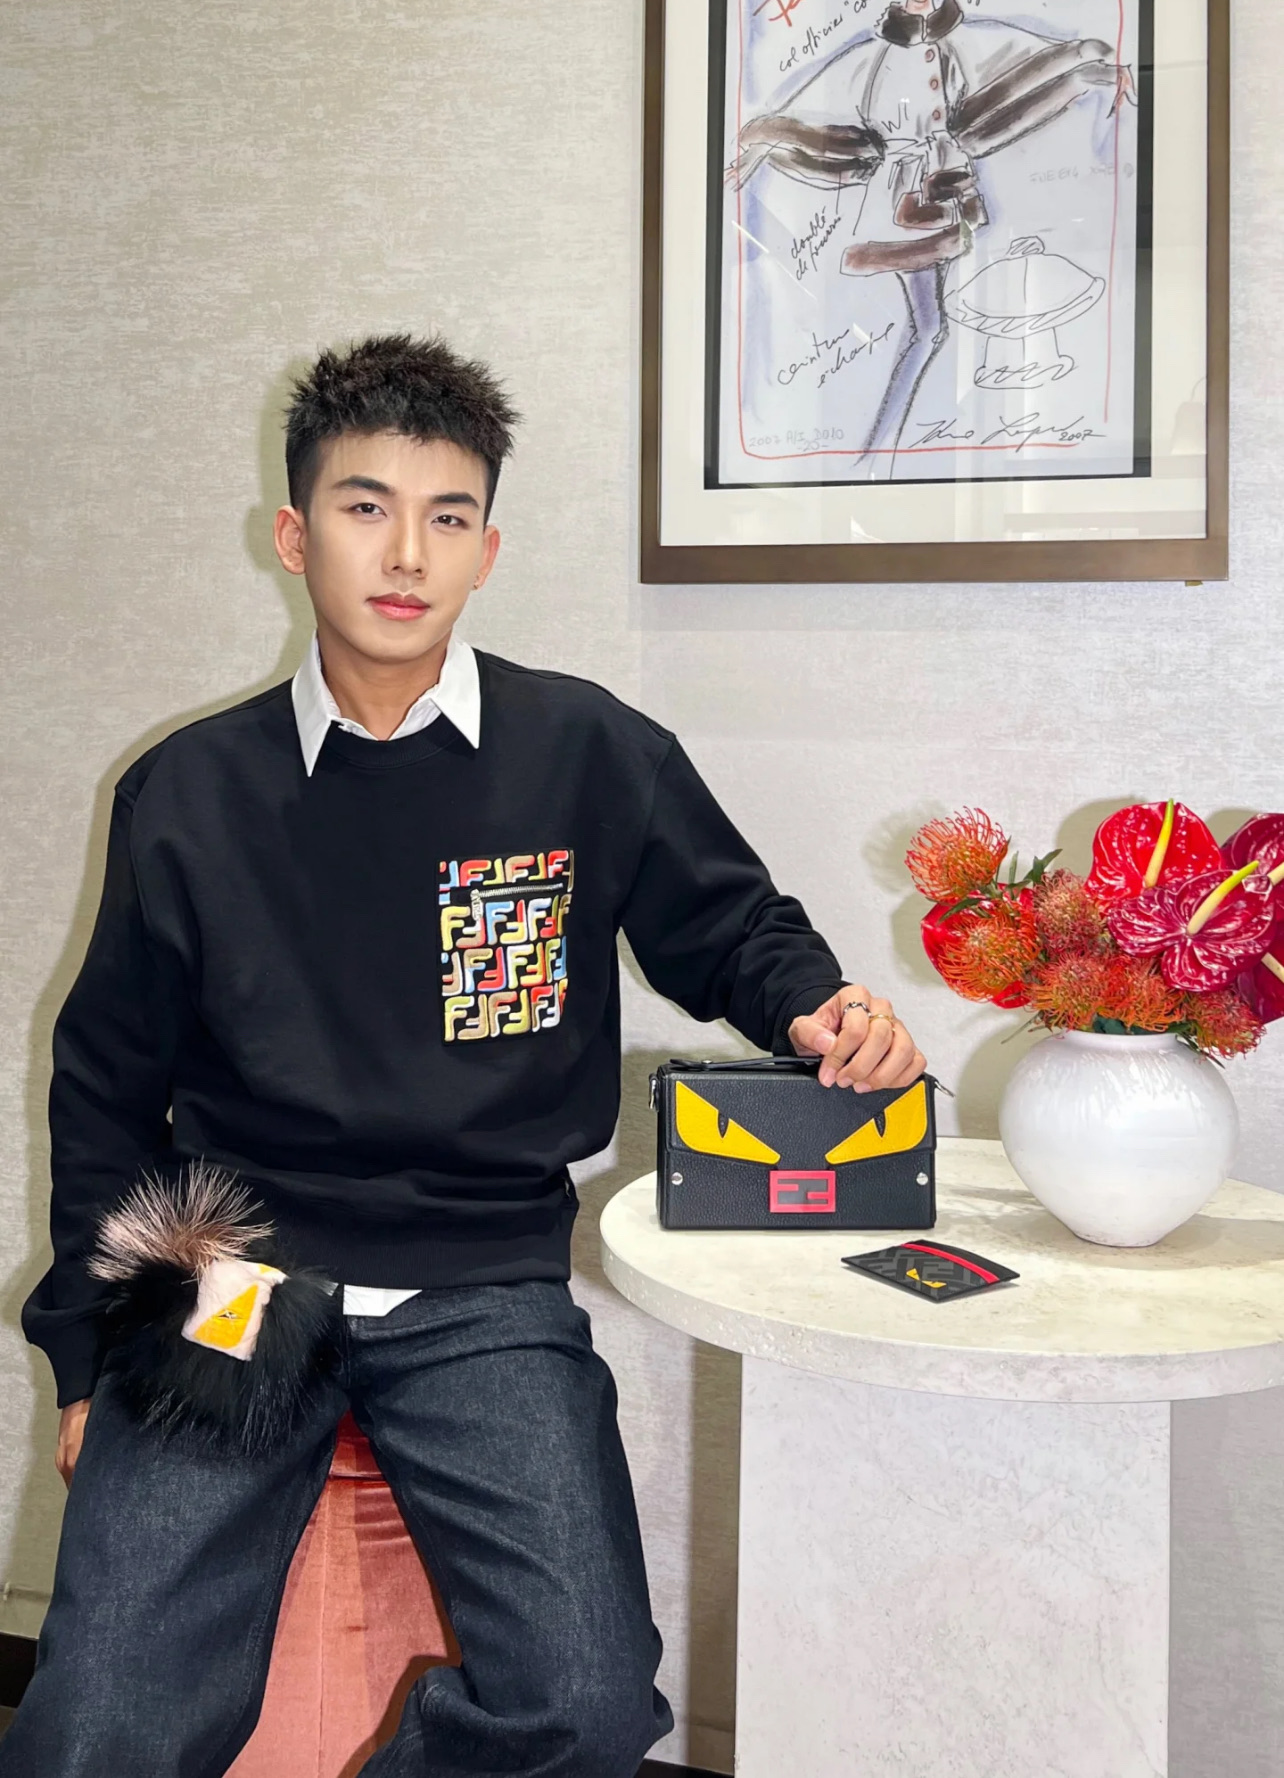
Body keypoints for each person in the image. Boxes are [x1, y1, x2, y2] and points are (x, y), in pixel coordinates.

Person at [2, 333, 926, 1777]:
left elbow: (732, 925)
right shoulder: (188, 789)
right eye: (365, 506)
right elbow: (105, 1083)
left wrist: (818, 1006)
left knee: (589, 1700)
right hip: (234, 1277)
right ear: (293, 535)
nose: (406, 553)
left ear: (488, 550)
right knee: (100, 1721)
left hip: (483, 1282)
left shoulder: (586, 751)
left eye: (447, 516)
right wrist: (84, 1351)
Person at [730, 0, 1134, 468]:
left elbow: (1019, 74)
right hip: (900, 204)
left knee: (930, 326)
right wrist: (763, 139)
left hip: (943, 193)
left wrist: (1089, 63)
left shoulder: (967, 40)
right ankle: (874, 453)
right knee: (927, 327)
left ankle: (878, 452)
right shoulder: (870, 56)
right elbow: (818, 118)